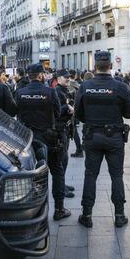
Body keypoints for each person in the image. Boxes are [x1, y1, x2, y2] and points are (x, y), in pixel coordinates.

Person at [75, 51, 130, 228]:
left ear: (95, 66)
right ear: (110, 66)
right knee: (116, 175)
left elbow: (78, 113)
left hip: (92, 136)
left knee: (90, 175)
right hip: (115, 137)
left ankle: (87, 215)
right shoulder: (120, 87)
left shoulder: (85, 86)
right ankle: (119, 215)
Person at [15, 63, 71, 220]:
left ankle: (36, 211)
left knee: (34, 176)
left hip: (30, 140)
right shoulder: (50, 92)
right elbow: (58, 112)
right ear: (40, 75)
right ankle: (59, 209)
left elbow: (16, 112)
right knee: (57, 172)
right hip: (50, 138)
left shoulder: (20, 92)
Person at [55, 69, 76, 198]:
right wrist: (67, 109)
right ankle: (60, 187)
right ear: (58, 78)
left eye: (69, 77)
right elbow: (56, 110)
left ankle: (62, 184)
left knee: (64, 158)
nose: (68, 79)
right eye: (65, 77)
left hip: (66, 128)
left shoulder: (65, 90)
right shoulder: (57, 91)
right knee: (62, 159)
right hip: (60, 128)